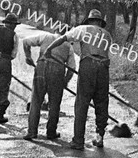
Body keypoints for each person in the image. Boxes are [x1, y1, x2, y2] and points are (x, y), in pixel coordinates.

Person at [44, 9, 112, 150]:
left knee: (82, 102)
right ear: (100, 22)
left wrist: (49, 49)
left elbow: (63, 38)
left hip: (88, 66)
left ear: (89, 20)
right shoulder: (107, 35)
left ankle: (78, 141)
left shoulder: (83, 29)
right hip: (104, 68)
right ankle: (99, 137)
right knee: (101, 103)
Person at [22, 28, 75, 141]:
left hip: (41, 67)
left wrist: (28, 56)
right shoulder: (68, 46)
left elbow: (26, 41)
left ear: (55, 31)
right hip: (57, 71)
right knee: (54, 103)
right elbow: (72, 68)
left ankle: (31, 131)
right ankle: (51, 132)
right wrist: (65, 81)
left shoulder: (45, 36)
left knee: (36, 100)